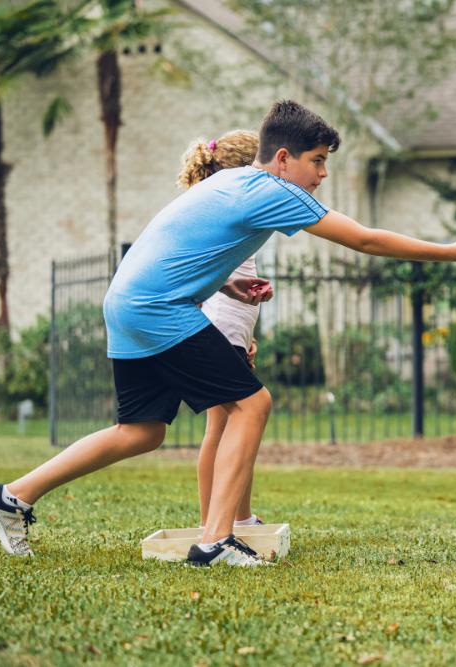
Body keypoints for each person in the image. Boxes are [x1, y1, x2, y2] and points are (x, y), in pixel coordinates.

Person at [0, 100, 456, 568]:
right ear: (283, 159)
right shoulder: (270, 190)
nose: (322, 175)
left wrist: (230, 292)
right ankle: (216, 540)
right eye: (317, 162)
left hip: (128, 302)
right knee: (252, 405)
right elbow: (365, 240)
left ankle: (11, 496)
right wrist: (450, 251)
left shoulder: (229, 181)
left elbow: (180, 250)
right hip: (160, 309)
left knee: (141, 431)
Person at [177, 130, 269, 530]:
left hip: (231, 329)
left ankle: (240, 516)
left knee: (236, 425)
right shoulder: (223, 212)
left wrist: (243, 335)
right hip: (218, 325)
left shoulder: (234, 211)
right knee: (222, 426)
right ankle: (212, 522)